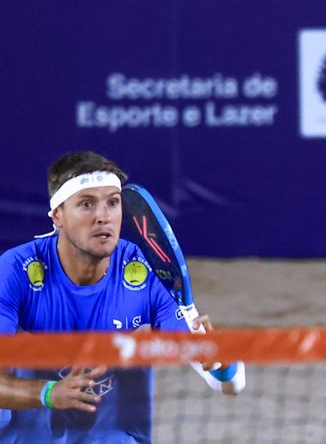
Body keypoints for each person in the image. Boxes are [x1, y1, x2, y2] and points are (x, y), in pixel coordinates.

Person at [0, 151, 245, 442]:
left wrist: (220, 364)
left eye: (113, 203)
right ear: (58, 216)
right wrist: (49, 393)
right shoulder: (16, 271)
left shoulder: (147, 272)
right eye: (87, 204)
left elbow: (231, 386)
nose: (103, 216)